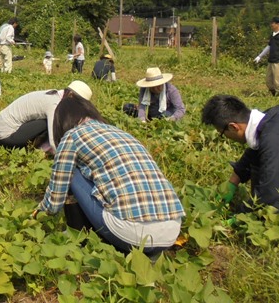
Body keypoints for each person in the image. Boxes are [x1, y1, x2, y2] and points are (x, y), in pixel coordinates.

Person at [33, 96, 184, 255]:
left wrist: (37, 214)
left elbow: (54, 203)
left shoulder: (72, 136)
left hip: (133, 236)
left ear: (61, 121)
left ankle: (77, 234)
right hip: (171, 231)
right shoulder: (120, 132)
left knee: (72, 172)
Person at [202, 94, 279, 214]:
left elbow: (269, 191)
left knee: (271, 210)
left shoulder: (272, 138)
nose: (226, 138)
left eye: (222, 133)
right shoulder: (269, 123)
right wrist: (231, 184)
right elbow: (253, 152)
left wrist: (240, 215)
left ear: (233, 127)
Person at [0, 80, 92, 152]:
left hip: (2, 129)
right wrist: (62, 154)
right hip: (6, 137)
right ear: (70, 95)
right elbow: (54, 136)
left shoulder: (56, 94)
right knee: (47, 123)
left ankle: (39, 146)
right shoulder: (54, 104)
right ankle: (42, 148)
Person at [253, 16, 279, 97]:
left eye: (272, 23)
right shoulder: (273, 34)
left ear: (278, 24)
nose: (271, 25)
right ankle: (274, 96)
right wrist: (260, 56)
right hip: (271, 61)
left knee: (278, 82)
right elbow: (269, 46)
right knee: (269, 82)